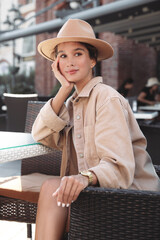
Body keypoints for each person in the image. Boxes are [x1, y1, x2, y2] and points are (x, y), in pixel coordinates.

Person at [32, 19, 160, 240]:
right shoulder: (72, 104)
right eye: (62, 56)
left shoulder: (106, 98)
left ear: (92, 60)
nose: (70, 62)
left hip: (135, 201)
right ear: (56, 64)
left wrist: (84, 178)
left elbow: (119, 167)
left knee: (52, 190)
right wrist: (63, 90)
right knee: (53, 190)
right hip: (98, 196)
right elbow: (41, 134)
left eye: (78, 54)